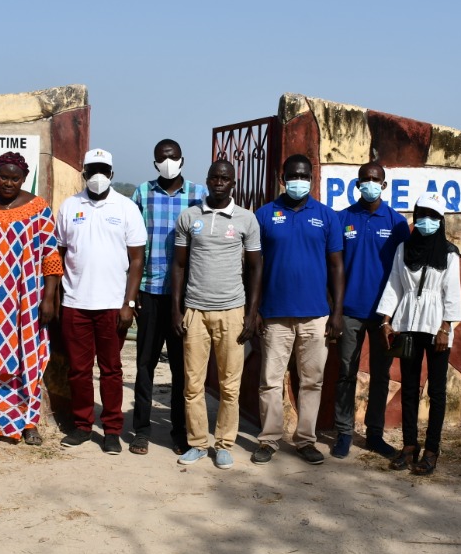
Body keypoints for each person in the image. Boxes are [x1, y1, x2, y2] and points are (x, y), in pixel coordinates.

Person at [251, 154, 344, 465]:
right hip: (275, 315)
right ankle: (269, 440)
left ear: (312, 178)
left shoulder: (327, 217)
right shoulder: (264, 215)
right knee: (271, 381)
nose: (299, 181)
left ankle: (305, 440)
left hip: (316, 316)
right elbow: (254, 267)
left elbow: (336, 266)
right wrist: (254, 310)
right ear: (282, 177)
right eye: (294, 175)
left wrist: (338, 311)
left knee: (311, 381)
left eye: (305, 175)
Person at [0, 151, 63, 445]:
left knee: (26, 357)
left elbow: (50, 256)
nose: (8, 183)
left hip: (25, 299)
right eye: (3, 177)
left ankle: (28, 421)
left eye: (15, 178)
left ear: (23, 178)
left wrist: (48, 298)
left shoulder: (38, 208)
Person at [170, 160, 262, 469]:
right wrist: (176, 308)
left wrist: (251, 314)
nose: (219, 182)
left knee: (229, 385)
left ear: (233, 183)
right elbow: (179, 266)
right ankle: (197, 443)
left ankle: (224, 444)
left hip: (232, 311)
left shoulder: (246, 220)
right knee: (193, 384)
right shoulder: (189, 217)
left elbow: (255, 268)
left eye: (225, 178)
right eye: (215, 177)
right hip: (195, 311)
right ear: (207, 181)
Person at [55, 149, 147, 455]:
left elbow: (136, 260)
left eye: (102, 170)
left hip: (113, 305)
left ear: (111, 173)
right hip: (76, 302)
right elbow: (59, 253)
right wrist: (56, 298)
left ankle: (111, 429)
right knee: (79, 370)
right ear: (83, 172)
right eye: (91, 169)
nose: (97, 176)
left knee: (111, 370)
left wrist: (129, 303)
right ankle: (82, 426)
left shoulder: (126, 207)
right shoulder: (70, 206)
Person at [129, 139, 207, 455]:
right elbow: (132, 245)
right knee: (145, 364)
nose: (168, 161)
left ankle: (179, 431)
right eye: (162, 157)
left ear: (182, 160)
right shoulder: (142, 194)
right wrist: (131, 295)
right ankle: (142, 430)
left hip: (185, 296)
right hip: (149, 290)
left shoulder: (199, 194)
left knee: (181, 367)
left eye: (172, 157)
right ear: (155, 163)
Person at [377, 191, 461, 476]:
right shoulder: (404, 248)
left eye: (433, 216)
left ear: (441, 220)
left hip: (437, 326)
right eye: (422, 214)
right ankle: (409, 446)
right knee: (410, 388)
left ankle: (432, 450)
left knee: (436, 391)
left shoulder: (449, 253)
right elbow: (394, 285)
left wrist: (446, 327)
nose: (426, 221)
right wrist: (386, 321)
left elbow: (452, 292)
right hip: (407, 324)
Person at [332, 162, 410, 459]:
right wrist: (334, 310)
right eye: (364, 179)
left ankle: (375, 435)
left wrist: (395, 316)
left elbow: (403, 272)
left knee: (380, 375)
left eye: (375, 179)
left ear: (384, 185)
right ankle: (343, 432)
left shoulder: (396, 223)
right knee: (346, 373)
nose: (370, 183)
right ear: (357, 183)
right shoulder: (343, 218)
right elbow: (334, 266)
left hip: (383, 315)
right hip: (349, 311)